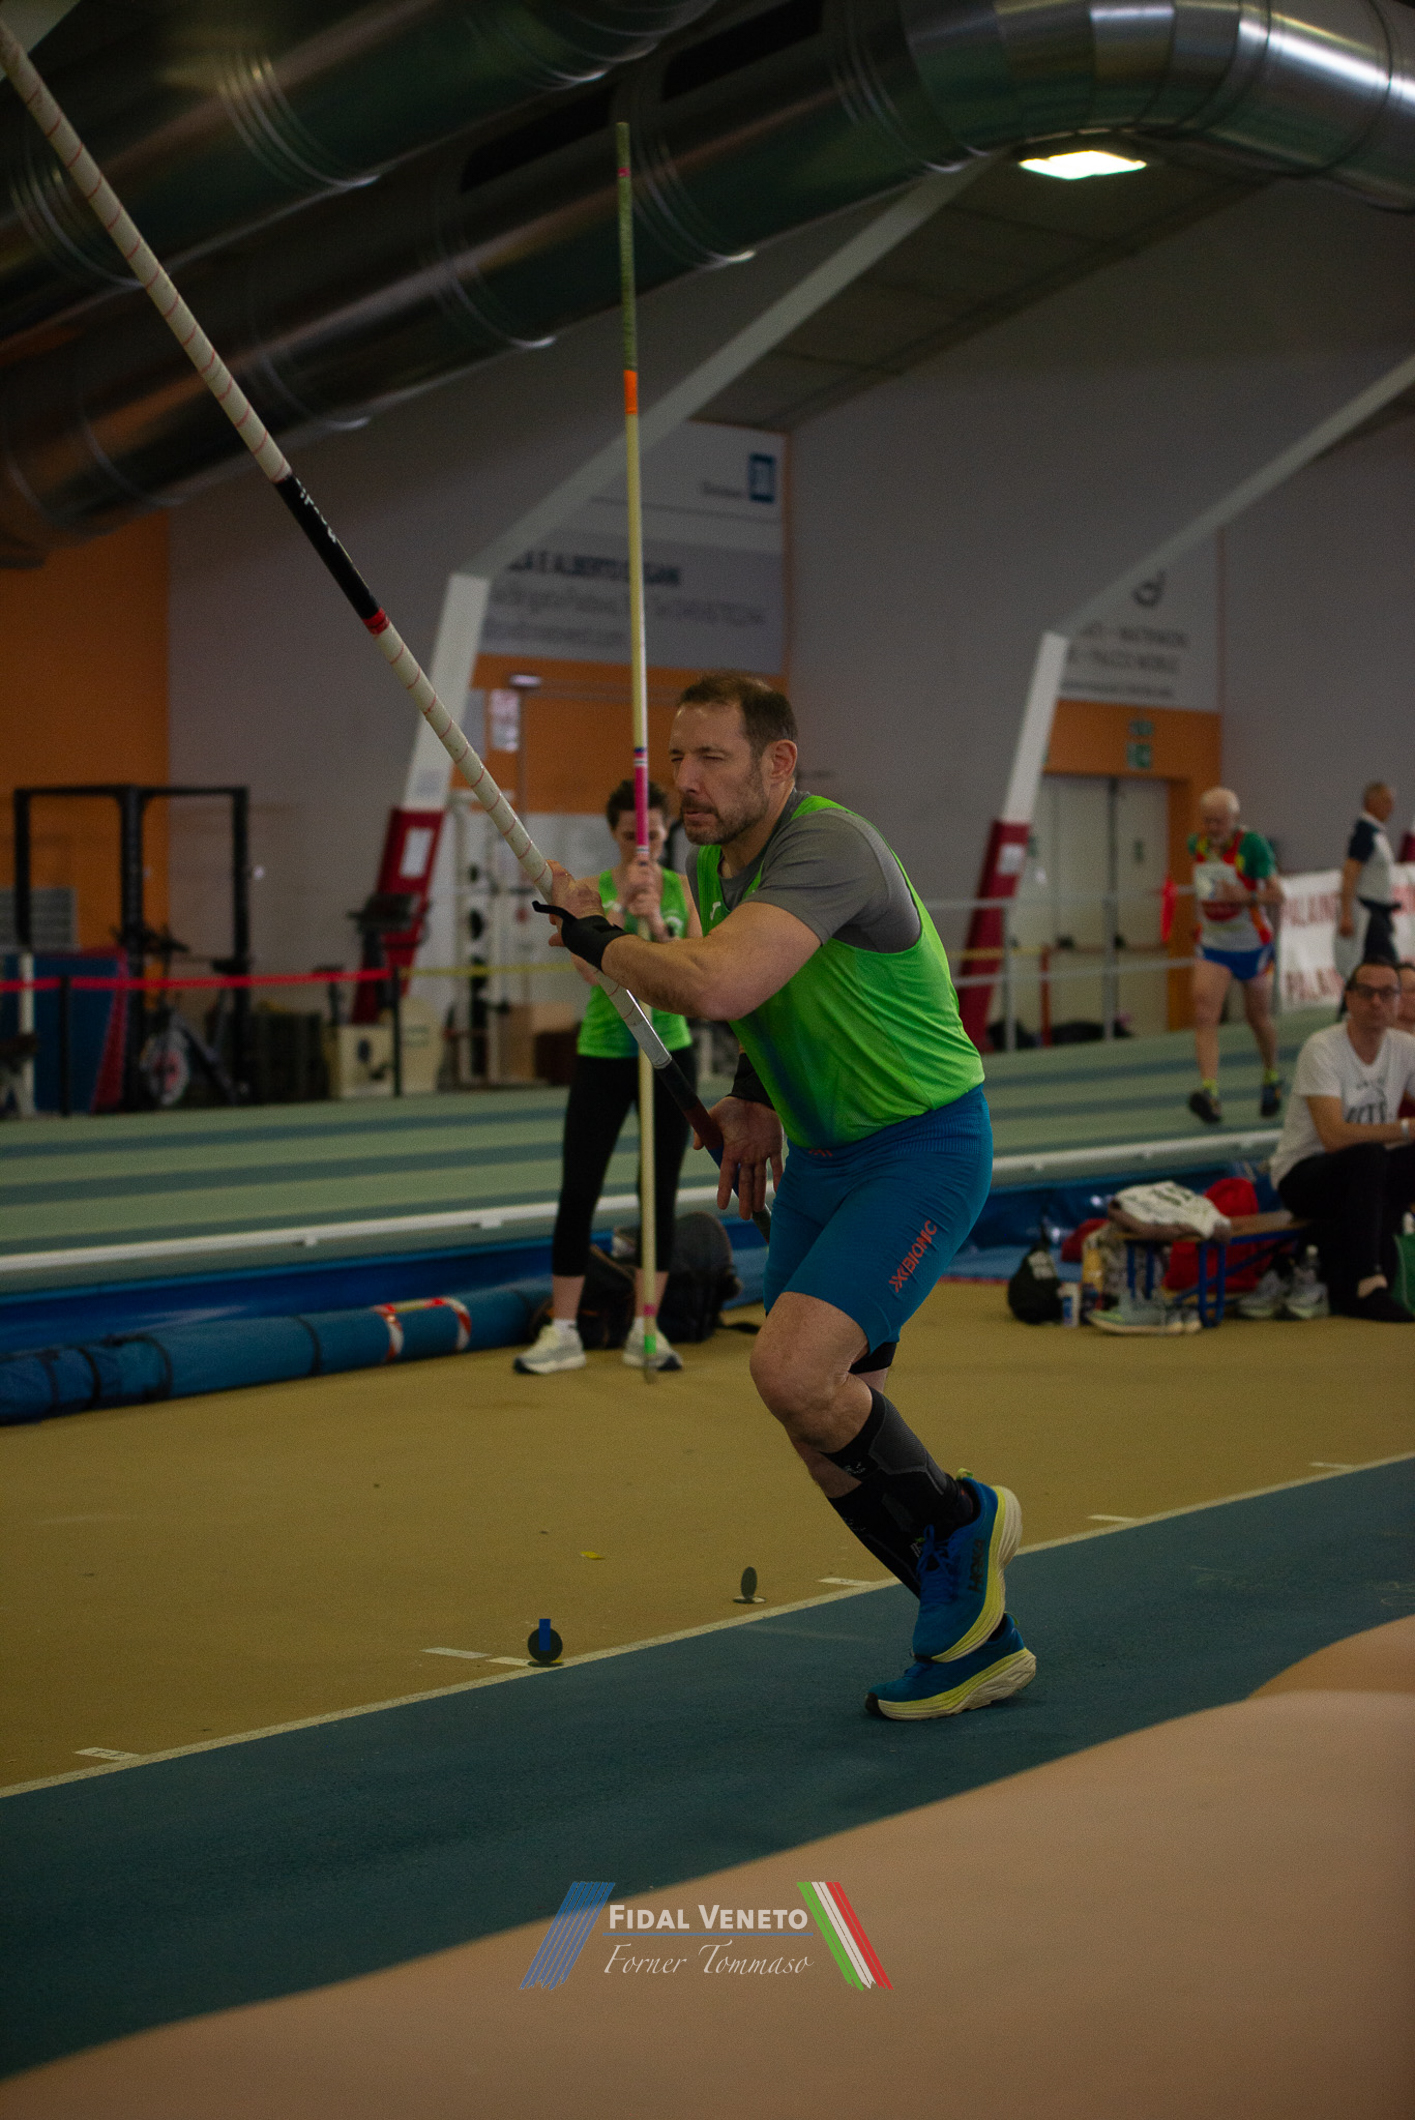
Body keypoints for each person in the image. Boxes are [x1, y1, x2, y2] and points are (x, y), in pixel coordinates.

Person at [540, 671, 1033, 1722]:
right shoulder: (717, 863)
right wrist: (754, 1091)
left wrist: (595, 939)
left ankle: (963, 1517)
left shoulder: (827, 845)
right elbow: (780, 992)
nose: (685, 780)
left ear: (777, 763)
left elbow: (718, 983)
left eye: (711, 758)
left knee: (792, 1369)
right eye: (678, 757)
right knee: (816, 1427)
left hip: (920, 1151)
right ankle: (973, 1638)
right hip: (821, 1159)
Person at [515, 778, 701, 1376]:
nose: (643, 844)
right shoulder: (590, 892)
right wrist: (617, 916)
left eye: (654, 834)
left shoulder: (680, 888)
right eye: (630, 835)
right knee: (580, 1187)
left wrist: (659, 925)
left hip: (667, 1051)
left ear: (667, 833)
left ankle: (647, 1326)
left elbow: (696, 972)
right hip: (604, 1051)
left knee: (658, 1191)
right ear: (614, 834)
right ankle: (564, 1329)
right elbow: (588, 968)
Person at [1270, 956, 1415, 1322]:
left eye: (1387, 993)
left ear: (1398, 1001)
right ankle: (1367, 1282)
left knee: (1392, 1159)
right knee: (1369, 1155)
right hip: (1303, 1176)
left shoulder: (1405, 1048)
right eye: (1367, 993)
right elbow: (1333, 1136)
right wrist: (1404, 1129)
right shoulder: (1323, 1048)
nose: (1377, 1002)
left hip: (1366, 1174)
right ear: (1349, 998)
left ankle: (1379, 1258)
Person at [1185, 787, 1284, 1126]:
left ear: (1235, 819)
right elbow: (1202, 887)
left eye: (1219, 821)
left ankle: (1271, 1075)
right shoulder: (1196, 844)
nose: (1212, 828)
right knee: (1204, 1015)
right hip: (1214, 944)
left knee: (1257, 1018)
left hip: (1252, 944)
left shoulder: (1253, 846)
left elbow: (1278, 894)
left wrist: (1247, 896)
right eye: (1207, 821)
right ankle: (1209, 1093)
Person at [1337, 782, 1399, 978]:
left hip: (1378, 912)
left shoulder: (1377, 833)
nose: (1391, 807)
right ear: (1371, 802)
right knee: (1387, 966)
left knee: (1372, 968)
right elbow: (1350, 873)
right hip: (1368, 914)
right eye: (1386, 801)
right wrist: (1346, 914)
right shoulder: (1365, 832)